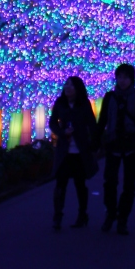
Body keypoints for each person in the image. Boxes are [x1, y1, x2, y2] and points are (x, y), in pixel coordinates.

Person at [97, 63, 135, 235]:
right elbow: (102, 120)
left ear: (131, 79)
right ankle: (111, 213)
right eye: (119, 77)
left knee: (129, 184)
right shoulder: (110, 97)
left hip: (131, 146)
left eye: (126, 77)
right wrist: (96, 141)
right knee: (109, 182)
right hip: (113, 144)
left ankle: (123, 218)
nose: (122, 80)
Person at [49, 75, 98, 229]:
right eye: (66, 85)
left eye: (71, 85)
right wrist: (62, 132)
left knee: (80, 184)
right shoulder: (60, 103)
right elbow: (52, 122)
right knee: (60, 184)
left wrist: (94, 144)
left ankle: (82, 215)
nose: (68, 88)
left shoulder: (84, 104)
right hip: (64, 151)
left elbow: (92, 124)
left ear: (78, 89)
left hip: (80, 151)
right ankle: (57, 216)